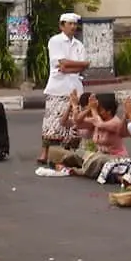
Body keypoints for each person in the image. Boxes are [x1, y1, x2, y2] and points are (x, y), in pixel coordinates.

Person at [40, 12, 89, 164]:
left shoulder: (79, 45)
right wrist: (74, 66)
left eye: (75, 24)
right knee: (52, 123)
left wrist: (70, 67)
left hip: (75, 87)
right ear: (62, 25)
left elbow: (84, 65)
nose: (73, 27)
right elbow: (62, 64)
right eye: (70, 24)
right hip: (57, 87)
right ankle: (45, 151)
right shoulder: (55, 41)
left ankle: (67, 152)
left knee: (73, 121)